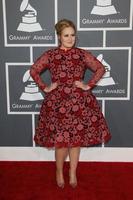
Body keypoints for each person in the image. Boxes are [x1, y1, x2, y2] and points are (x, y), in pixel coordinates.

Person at [30, 19, 111, 188]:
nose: (70, 38)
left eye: (73, 35)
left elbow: (100, 68)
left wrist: (88, 85)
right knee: (61, 142)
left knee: (76, 141)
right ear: (59, 36)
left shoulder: (81, 54)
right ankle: (59, 172)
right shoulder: (51, 55)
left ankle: (72, 172)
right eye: (66, 35)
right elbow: (34, 70)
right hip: (57, 103)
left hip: (78, 102)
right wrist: (45, 87)